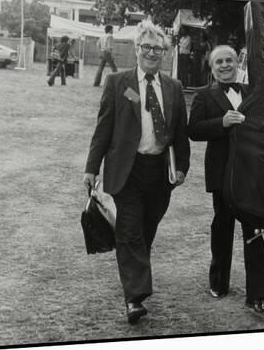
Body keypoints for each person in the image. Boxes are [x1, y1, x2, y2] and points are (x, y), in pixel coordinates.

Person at [83, 21, 190, 324]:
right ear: (136, 49)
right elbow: (103, 128)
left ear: (165, 53)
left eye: (158, 48)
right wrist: (91, 168)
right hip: (126, 171)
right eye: (146, 47)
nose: (152, 53)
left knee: (145, 232)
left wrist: (181, 166)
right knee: (129, 232)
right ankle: (135, 298)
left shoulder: (174, 87)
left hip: (158, 173)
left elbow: (180, 132)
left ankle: (134, 279)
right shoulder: (119, 82)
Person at [188, 45, 264, 316]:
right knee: (222, 229)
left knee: (253, 232)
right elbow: (194, 130)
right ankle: (219, 283)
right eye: (218, 62)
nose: (224, 65)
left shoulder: (252, 93)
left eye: (229, 61)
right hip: (223, 176)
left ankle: (258, 294)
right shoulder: (204, 97)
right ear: (212, 68)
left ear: (237, 64)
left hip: (251, 175)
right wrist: (221, 122)